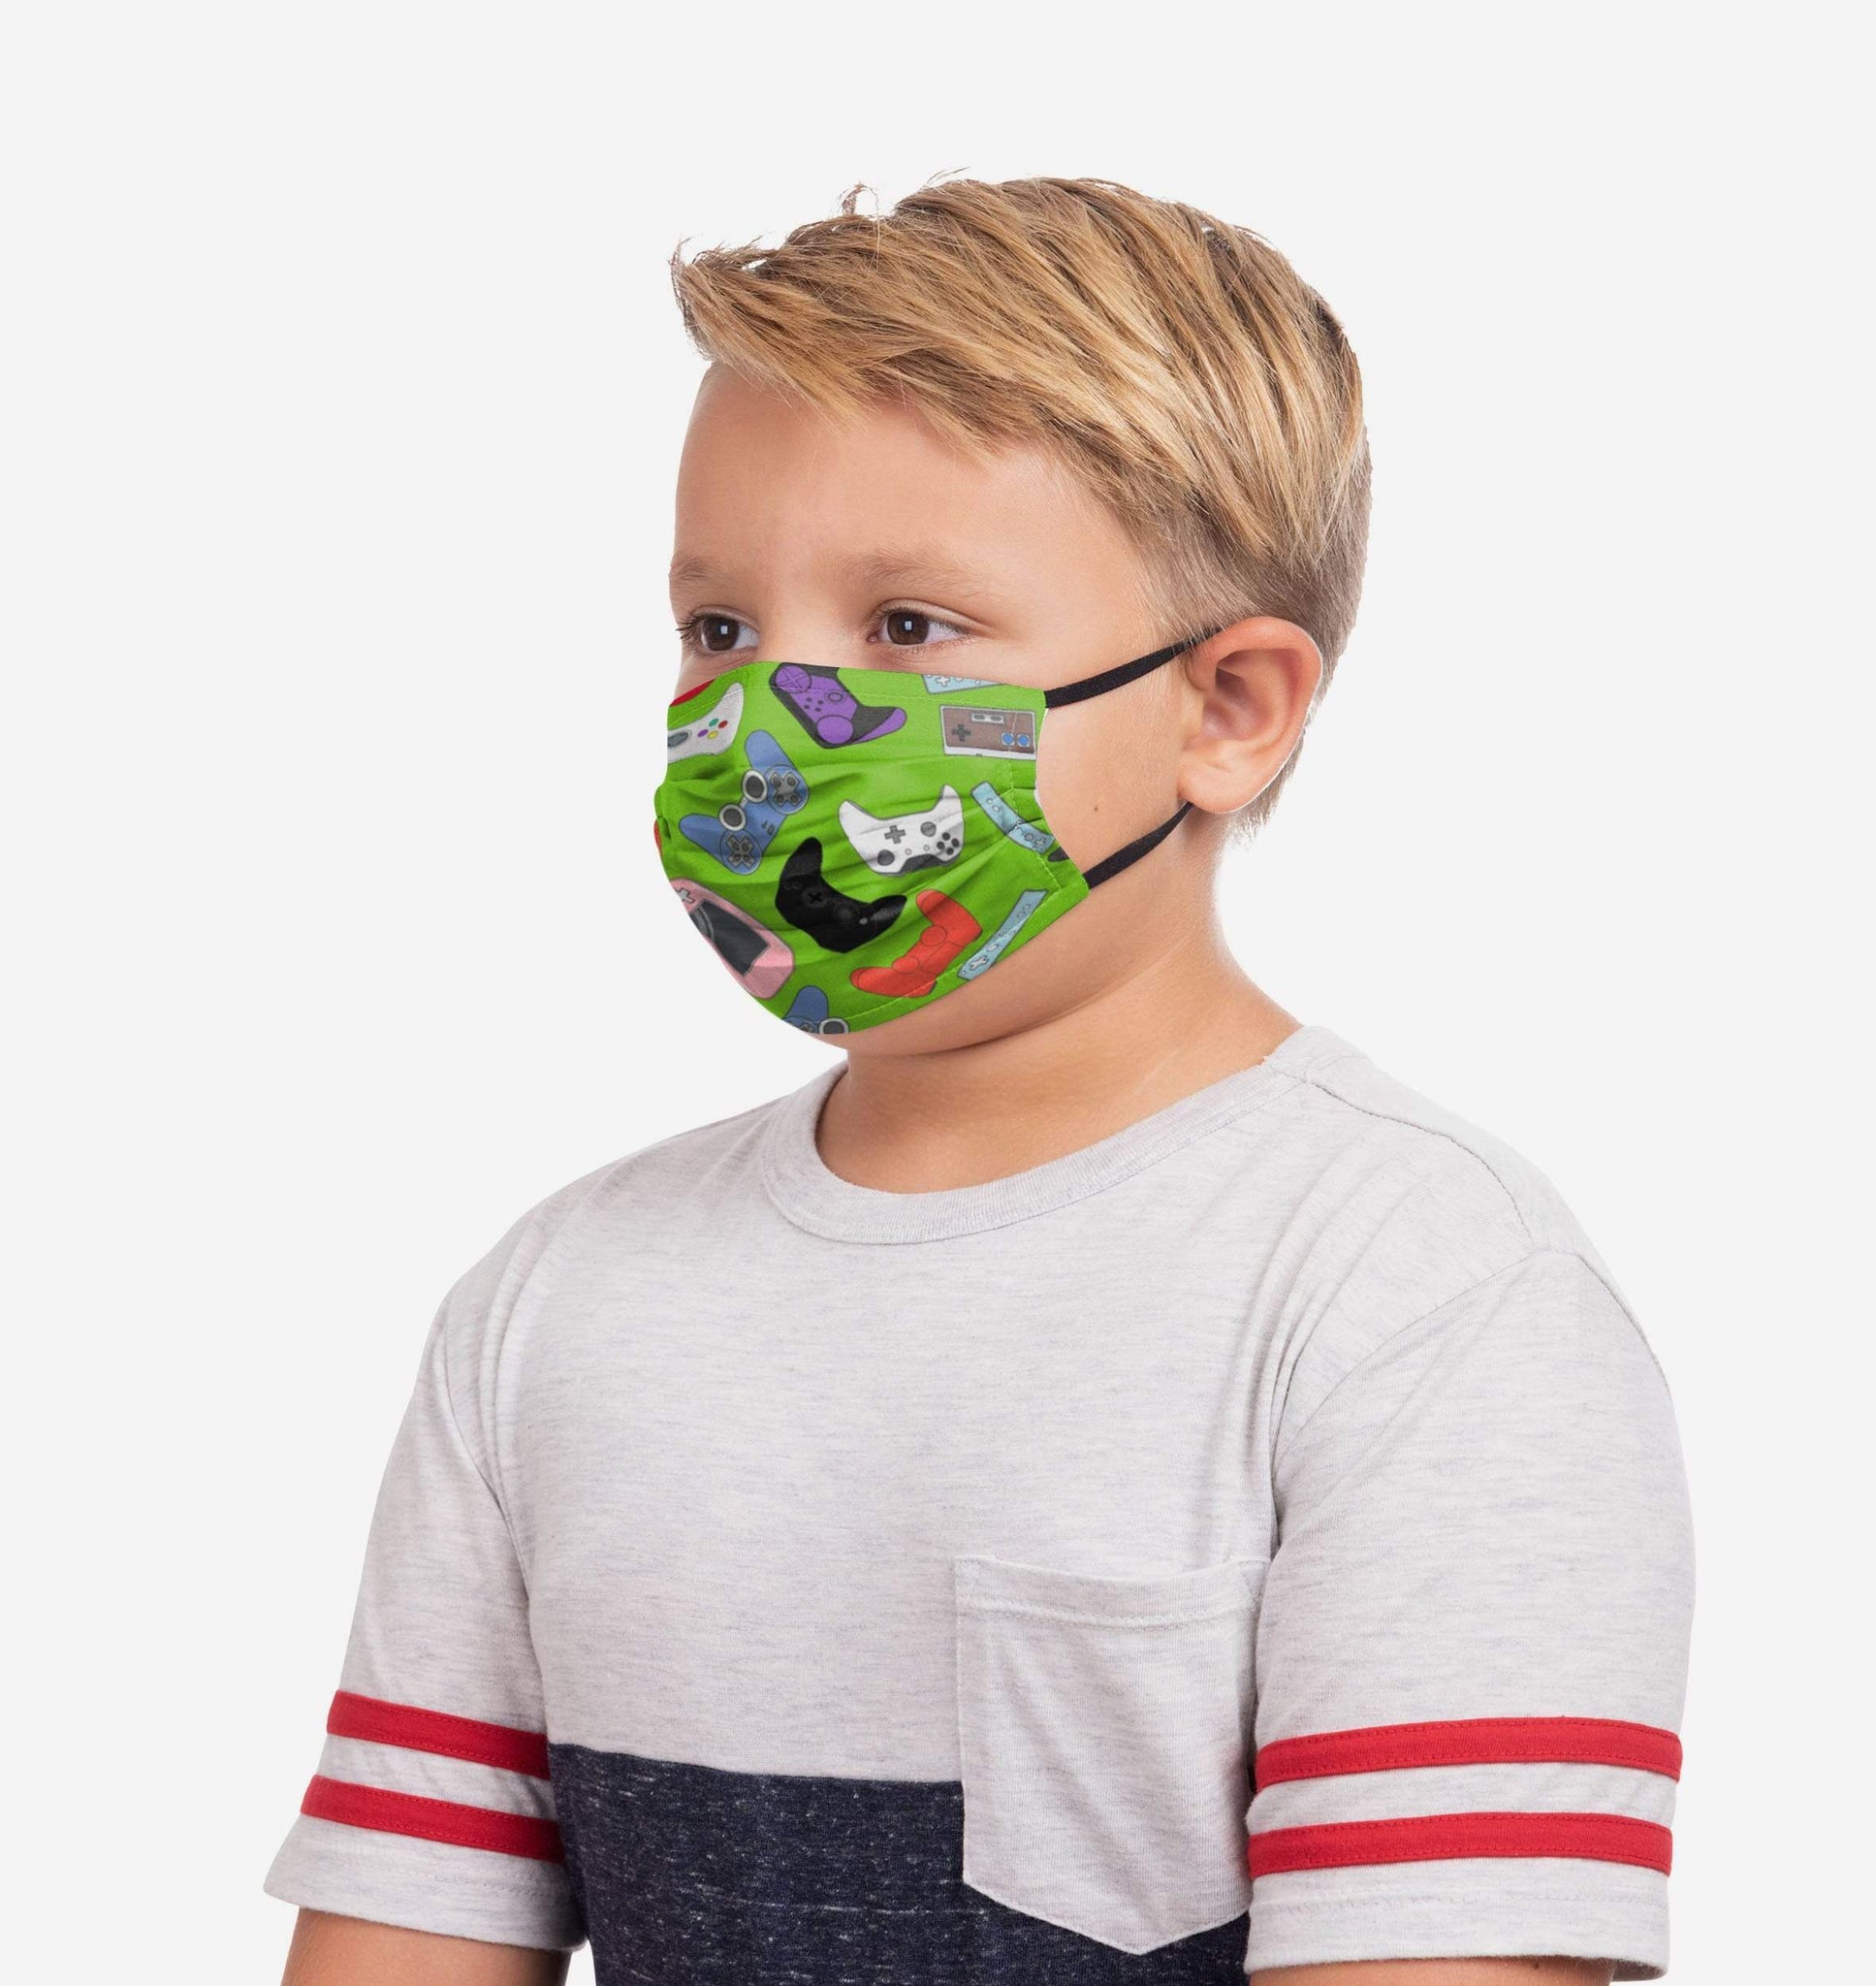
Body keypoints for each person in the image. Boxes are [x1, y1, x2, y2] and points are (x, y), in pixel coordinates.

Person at [267, 176, 1694, 1986]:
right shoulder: (556, 1300)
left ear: (1228, 708)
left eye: (911, 628)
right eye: (719, 630)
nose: (771, 721)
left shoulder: (1418, 1295)